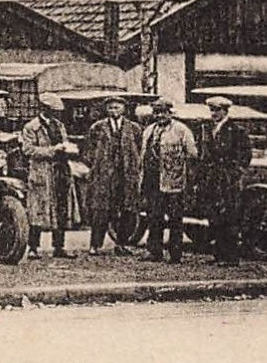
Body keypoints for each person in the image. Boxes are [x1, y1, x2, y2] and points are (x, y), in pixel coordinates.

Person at [82, 97, 143, 254]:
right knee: (100, 211)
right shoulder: (97, 128)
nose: (114, 111)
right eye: (111, 108)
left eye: (117, 108)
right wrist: (97, 166)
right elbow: (88, 151)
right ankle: (95, 245)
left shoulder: (134, 128)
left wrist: (134, 168)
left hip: (126, 176)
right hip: (104, 177)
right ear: (106, 110)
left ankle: (121, 244)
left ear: (123, 109)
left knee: (127, 210)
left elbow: (140, 150)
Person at [196, 96, 252, 266]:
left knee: (229, 217)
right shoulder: (209, 129)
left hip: (228, 179)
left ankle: (231, 257)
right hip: (212, 178)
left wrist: (235, 173)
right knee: (215, 216)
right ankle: (219, 254)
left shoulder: (236, 131)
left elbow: (245, 155)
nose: (214, 114)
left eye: (217, 110)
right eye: (212, 110)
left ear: (225, 111)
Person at [139, 99, 197, 263]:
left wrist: (179, 169)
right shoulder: (149, 130)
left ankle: (175, 254)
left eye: (163, 112)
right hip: (153, 180)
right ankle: (154, 251)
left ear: (170, 113)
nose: (159, 116)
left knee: (175, 218)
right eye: (156, 112)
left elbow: (192, 154)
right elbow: (143, 155)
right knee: (154, 217)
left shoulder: (181, 130)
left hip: (173, 181)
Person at [19, 94, 73, 259]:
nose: (57, 114)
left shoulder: (59, 126)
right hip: (42, 172)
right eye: (53, 111)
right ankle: (33, 247)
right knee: (38, 211)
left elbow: (65, 142)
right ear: (45, 109)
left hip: (60, 171)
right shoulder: (32, 127)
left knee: (61, 209)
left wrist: (67, 148)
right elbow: (28, 150)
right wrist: (52, 150)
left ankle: (59, 247)